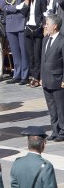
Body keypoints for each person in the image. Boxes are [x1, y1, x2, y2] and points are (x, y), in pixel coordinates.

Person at [41, 14, 64, 142]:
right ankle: (55, 130)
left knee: (61, 108)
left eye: (47, 24)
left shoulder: (62, 40)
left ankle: (62, 131)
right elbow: (42, 59)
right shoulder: (46, 39)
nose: (45, 26)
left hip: (58, 79)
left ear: (55, 26)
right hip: (46, 79)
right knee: (52, 108)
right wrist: (41, 76)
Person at [22, 0, 47, 88]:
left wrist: (44, 27)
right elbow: (23, 13)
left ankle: (37, 77)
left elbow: (45, 14)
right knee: (30, 55)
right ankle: (33, 76)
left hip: (37, 28)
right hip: (28, 28)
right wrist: (27, 0)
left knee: (37, 55)